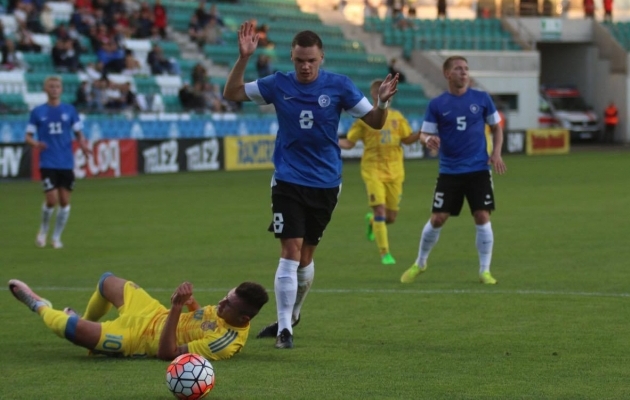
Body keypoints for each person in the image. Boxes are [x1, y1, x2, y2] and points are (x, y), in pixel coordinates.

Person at [223, 21, 399, 349]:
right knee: (289, 251)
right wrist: (244, 58)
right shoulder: (277, 84)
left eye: (311, 61)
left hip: (326, 183)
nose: (305, 66)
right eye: (299, 60)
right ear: (291, 57)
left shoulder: (340, 86)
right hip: (288, 179)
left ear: (322, 59)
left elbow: (374, 122)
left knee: (305, 257)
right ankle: (284, 329)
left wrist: (383, 103)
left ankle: (295, 313)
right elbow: (231, 93)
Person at [399, 56, 507, 285]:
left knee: (482, 215)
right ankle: (420, 262)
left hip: (478, 169)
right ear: (447, 74)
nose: (464, 72)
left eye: (466, 69)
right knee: (438, 218)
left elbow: (496, 128)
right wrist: (427, 141)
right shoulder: (437, 104)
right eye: (458, 69)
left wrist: (496, 153)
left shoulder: (481, 98)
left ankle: (484, 271)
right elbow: (425, 134)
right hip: (449, 171)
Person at [7, 272, 269, 361]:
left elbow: (168, 353)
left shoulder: (223, 343)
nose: (221, 303)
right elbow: (203, 318)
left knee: (72, 329)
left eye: (228, 304)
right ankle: (89, 319)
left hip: (139, 340)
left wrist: (177, 307)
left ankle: (39, 305)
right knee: (107, 281)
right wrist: (191, 304)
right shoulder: (227, 312)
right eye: (225, 296)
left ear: (244, 319)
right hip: (152, 312)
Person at [339, 79, 418, 265]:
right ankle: (385, 253)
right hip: (372, 169)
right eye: (384, 91)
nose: (388, 94)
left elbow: (406, 139)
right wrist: (331, 141)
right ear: (375, 94)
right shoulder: (365, 118)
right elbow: (349, 143)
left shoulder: (398, 117)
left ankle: (373, 222)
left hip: (395, 171)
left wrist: (423, 133)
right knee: (380, 210)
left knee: (390, 217)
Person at [25, 76, 91, 249]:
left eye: (57, 86)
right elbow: (28, 136)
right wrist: (36, 144)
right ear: (45, 89)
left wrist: (83, 145)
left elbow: (79, 133)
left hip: (66, 162)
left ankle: (56, 237)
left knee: (64, 201)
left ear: (61, 89)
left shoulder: (70, 110)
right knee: (51, 199)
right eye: (51, 86)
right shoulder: (38, 112)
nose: (54, 89)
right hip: (48, 161)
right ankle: (43, 230)